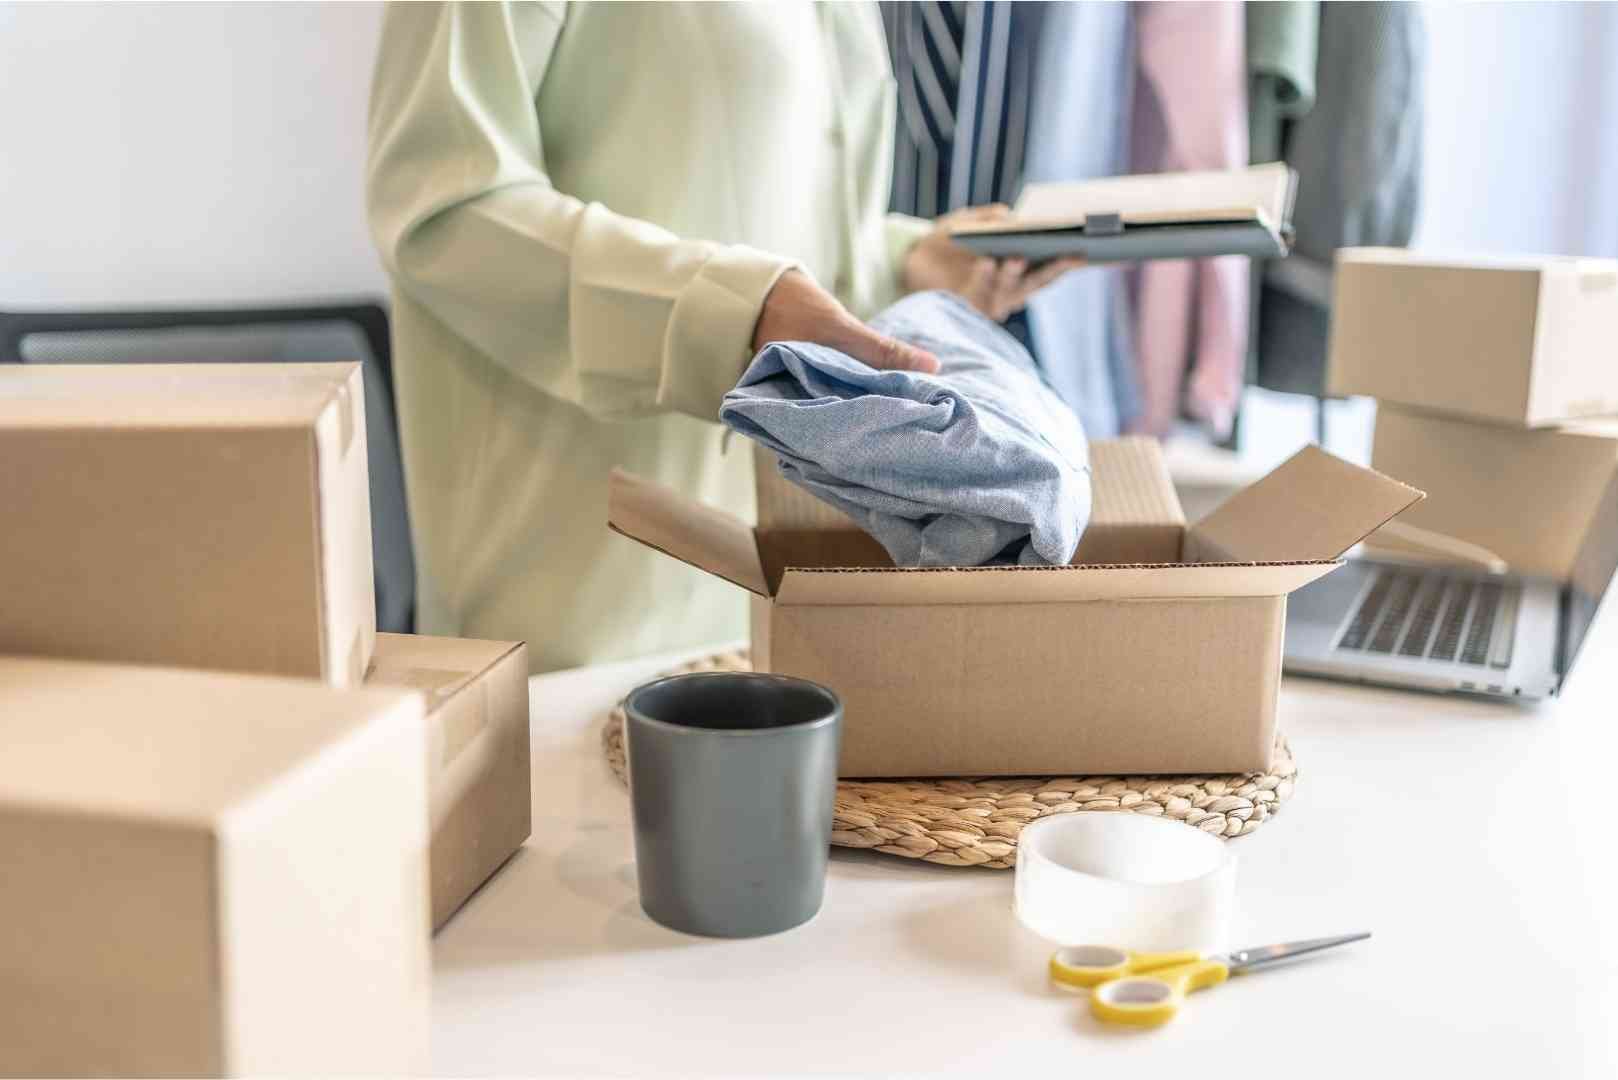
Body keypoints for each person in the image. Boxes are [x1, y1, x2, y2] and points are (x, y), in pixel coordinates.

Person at [366, 2, 1076, 672]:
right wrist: (738, 313)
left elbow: (758, 203)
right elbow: (442, 211)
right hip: (575, 615)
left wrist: (900, 264)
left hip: (771, 599)